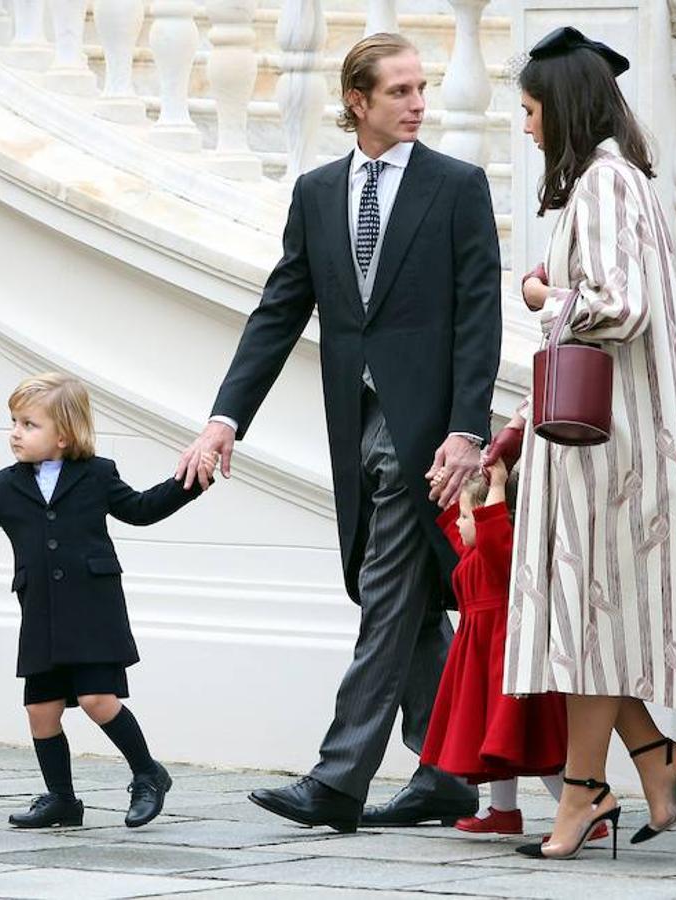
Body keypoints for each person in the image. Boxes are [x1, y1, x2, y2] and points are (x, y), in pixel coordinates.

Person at [177, 32, 502, 832]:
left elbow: (479, 316)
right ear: (356, 102)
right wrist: (226, 420)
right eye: (399, 91)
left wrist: (466, 429)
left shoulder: (457, 186)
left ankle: (336, 779)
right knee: (404, 595)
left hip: (425, 433)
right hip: (351, 424)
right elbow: (280, 309)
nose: (418, 103)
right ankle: (446, 770)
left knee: (386, 592)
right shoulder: (318, 192)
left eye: (422, 88)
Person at [492, 26, 676, 860]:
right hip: (613, 445)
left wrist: (546, 291)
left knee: (589, 617)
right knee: (593, 620)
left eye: (531, 109)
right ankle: (650, 761)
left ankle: (590, 789)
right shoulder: (612, 181)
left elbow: (622, 305)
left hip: (613, 456)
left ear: (564, 107)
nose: (526, 126)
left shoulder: (607, 185)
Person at [0, 372, 210, 828]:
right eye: (13, 421)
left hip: (94, 609)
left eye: (29, 424)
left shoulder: (97, 474)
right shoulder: (6, 484)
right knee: (41, 711)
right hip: (42, 614)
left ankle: (148, 774)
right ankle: (62, 800)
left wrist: (194, 481)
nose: (15, 432)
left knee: (97, 699)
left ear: (65, 435)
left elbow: (142, 510)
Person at [421, 463, 609, 844]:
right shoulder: (478, 552)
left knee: (531, 744)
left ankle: (588, 814)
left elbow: (492, 533)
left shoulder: (501, 554)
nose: (458, 523)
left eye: (465, 516)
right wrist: (449, 498)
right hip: (481, 662)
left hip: (503, 664)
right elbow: (468, 536)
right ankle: (503, 813)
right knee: (495, 742)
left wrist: (496, 484)